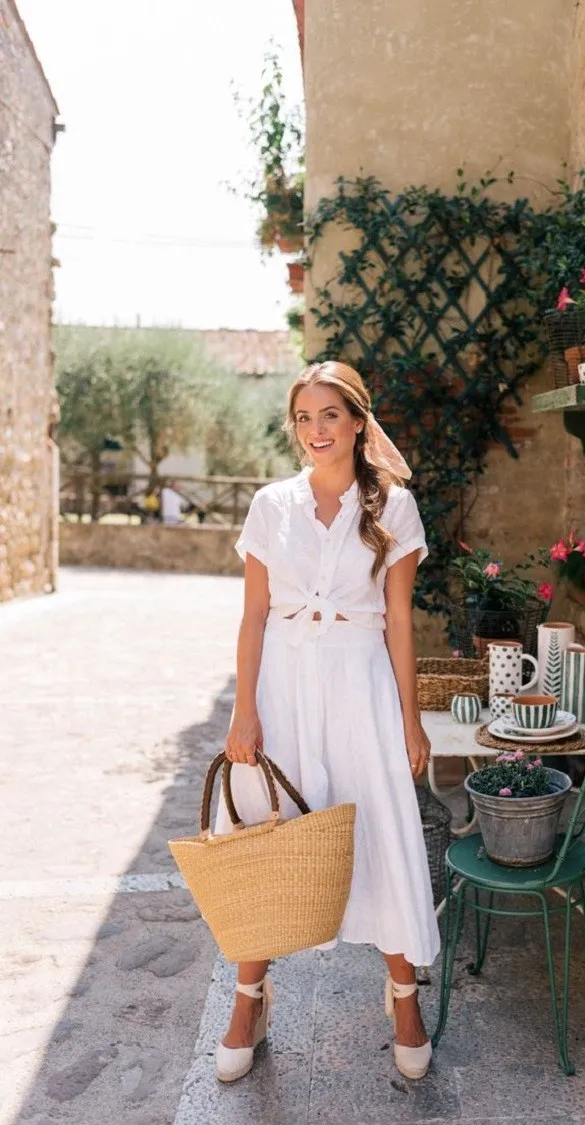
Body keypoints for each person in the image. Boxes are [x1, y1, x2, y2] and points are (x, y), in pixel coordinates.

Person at [216, 360, 440, 1084]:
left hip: (359, 680)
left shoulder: (393, 508)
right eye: (304, 418)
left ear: (356, 421)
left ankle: (403, 996)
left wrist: (411, 719)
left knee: (378, 824)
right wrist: (243, 707)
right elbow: (253, 615)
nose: (316, 430)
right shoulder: (269, 504)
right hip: (282, 680)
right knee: (266, 835)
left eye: (330, 416)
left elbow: (399, 621)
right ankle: (249, 999)